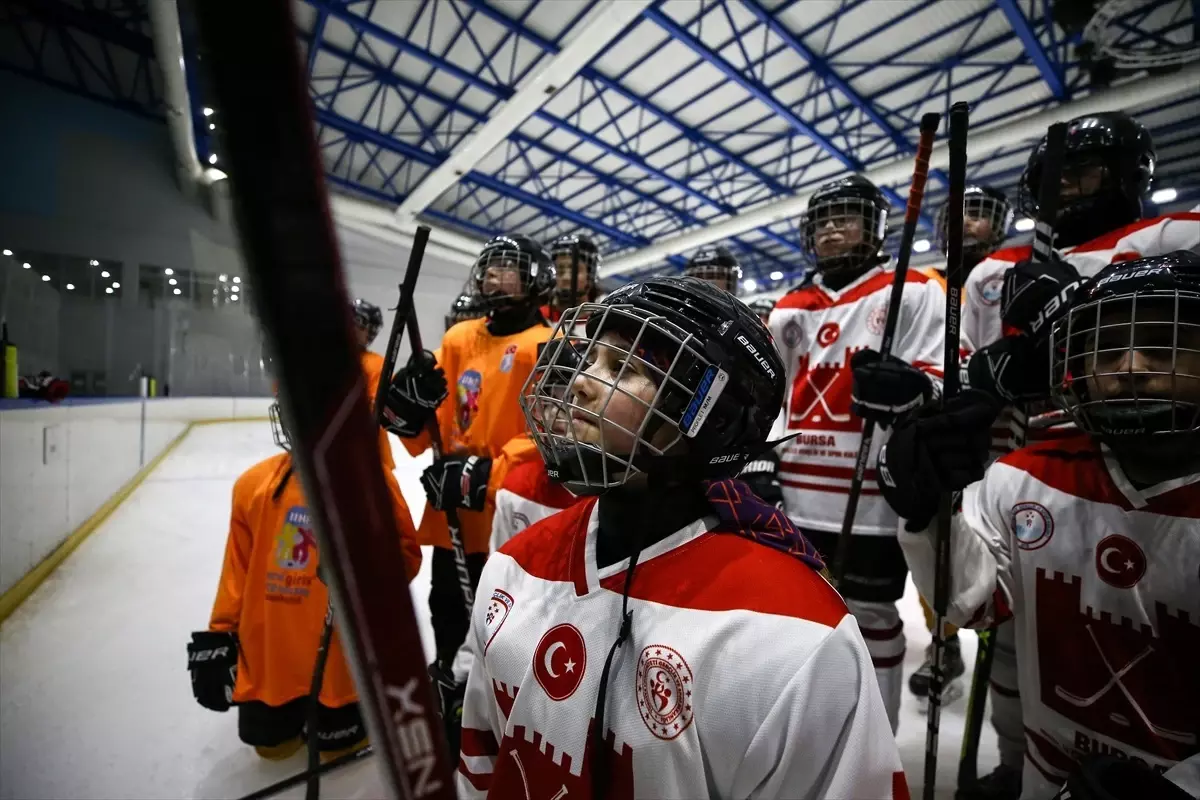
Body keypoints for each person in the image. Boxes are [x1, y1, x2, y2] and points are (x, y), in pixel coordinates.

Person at [457, 276, 907, 799]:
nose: (579, 382)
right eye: (589, 359)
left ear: (706, 419)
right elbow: (484, 762)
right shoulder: (515, 564)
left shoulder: (797, 636)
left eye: (624, 368)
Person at [878, 251, 1200, 799]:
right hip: (1047, 777)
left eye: (1160, 343)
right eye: (1108, 347)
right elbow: (969, 604)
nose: (1130, 365)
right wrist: (928, 514)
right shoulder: (1023, 476)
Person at [953, 111, 1199, 800]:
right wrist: (991, 376)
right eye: (1057, 177)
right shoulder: (995, 273)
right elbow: (980, 373)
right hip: (1038, 472)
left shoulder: (1179, 234)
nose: (1072, 187)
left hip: (1163, 470)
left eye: (1086, 169)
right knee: (1020, 648)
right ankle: (1015, 765)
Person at [770, 173, 946, 731]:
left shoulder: (913, 289)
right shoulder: (788, 307)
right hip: (797, 494)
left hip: (872, 497)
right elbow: (772, 391)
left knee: (870, 615)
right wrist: (761, 461)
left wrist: (914, 389)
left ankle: (874, 745)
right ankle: (806, 736)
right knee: (794, 609)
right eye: (821, 221)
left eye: (844, 218)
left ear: (873, 227)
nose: (830, 230)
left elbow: (946, 373)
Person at [188, 382, 422, 762]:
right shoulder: (252, 485)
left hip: (340, 665)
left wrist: (362, 565)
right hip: (269, 666)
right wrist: (218, 637)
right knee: (271, 752)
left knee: (340, 758)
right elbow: (237, 573)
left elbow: (406, 558)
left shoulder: (370, 481)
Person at [381, 233, 555, 729]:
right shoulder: (460, 338)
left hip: (512, 518)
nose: (496, 276)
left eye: (510, 268)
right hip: (452, 510)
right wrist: (410, 407)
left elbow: (551, 432)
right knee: (449, 611)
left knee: (508, 621)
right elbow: (436, 421)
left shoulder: (549, 344)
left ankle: (504, 708)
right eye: (491, 267)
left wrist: (489, 474)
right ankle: (450, 693)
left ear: (534, 278)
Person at [910, 185, 1013, 709]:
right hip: (951, 440)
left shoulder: (1013, 274)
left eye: (978, 214)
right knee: (939, 546)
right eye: (958, 214)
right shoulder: (926, 285)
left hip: (1012, 441)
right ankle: (943, 643)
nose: (966, 223)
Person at [350, 298, 398, 473]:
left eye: (358, 323)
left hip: (370, 454)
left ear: (369, 332)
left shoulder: (376, 365)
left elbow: (375, 410)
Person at [545, 233, 602, 322]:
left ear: (590, 273)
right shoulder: (539, 317)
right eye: (560, 271)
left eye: (575, 271)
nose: (566, 278)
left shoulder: (603, 322)